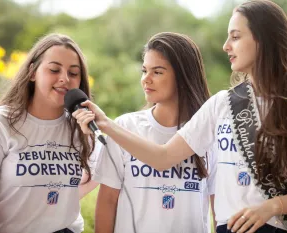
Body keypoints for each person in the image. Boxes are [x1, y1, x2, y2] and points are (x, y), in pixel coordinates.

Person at [72, 1, 287, 233]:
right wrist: (105, 124)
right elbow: (164, 157)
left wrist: (273, 206)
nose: (226, 46)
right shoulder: (221, 104)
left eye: (235, 37)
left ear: (264, 41)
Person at [74, 32, 216, 233]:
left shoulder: (209, 133)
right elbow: (107, 201)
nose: (146, 80)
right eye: (144, 70)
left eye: (157, 72)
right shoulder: (125, 127)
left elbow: (217, 207)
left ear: (184, 76)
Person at [0, 33, 98, 233]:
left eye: (73, 73)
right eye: (54, 69)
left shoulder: (81, 127)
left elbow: (100, 173)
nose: (64, 78)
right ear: (32, 73)